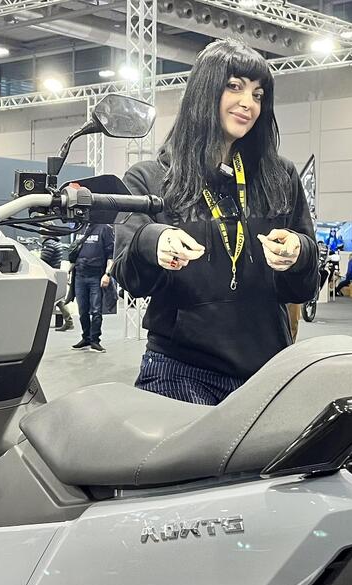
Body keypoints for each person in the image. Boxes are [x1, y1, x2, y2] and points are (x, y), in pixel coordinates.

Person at [114, 38, 319, 405]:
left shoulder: (280, 176)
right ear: (204, 91)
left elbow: (302, 288)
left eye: (258, 94)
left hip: (267, 371)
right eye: (234, 86)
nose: (248, 103)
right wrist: (151, 240)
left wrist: (300, 252)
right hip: (180, 369)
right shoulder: (150, 179)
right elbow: (128, 277)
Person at [70, 222, 114, 353]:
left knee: (96, 311)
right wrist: (69, 270)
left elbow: (111, 254)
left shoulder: (104, 228)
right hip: (79, 274)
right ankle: (86, 338)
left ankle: (95, 340)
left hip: (96, 275)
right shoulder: (80, 227)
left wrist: (107, 274)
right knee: (82, 310)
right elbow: (75, 251)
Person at [40, 236, 74, 332]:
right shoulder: (56, 242)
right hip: (55, 272)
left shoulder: (49, 243)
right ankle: (69, 321)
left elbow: (44, 260)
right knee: (59, 299)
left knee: (53, 298)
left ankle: (68, 321)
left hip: (49, 272)